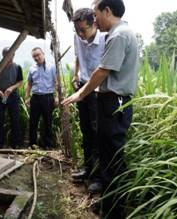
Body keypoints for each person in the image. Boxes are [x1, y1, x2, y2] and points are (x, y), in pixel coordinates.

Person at [62, 0, 139, 217]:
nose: (94, 20)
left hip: (114, 103)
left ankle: (114, 212)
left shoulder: (117, 36)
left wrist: (80, 93)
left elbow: (102, 71)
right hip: (109, 101)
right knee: (107, 156)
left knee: (113, 159)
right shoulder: (119, 33)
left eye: (96, 15)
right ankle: (107, 204)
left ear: (108, 11)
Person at [71, 8, 106, 194]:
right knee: (86, 130)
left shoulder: (105, 39)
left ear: (94, 23)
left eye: (83, 30)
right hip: (83, 87)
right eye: (77, 31)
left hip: (99, 91)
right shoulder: (78, 36)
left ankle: (99, 176)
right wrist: (76, 73)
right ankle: (87, 169)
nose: (81, 35)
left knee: (97, 132)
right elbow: (78, 55)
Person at [25, 47, 57, 150]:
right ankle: (32, 144)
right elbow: (29, 83)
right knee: (33, 122)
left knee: (48, 121)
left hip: (48, 97)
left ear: (43, 54)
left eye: (38, 55)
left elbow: (57, 82)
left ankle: (48, 145)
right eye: (34, 56)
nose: (36, 58)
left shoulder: (52, 67)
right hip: (35, 98)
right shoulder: (32, 68)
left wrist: (56, 96)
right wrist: (27, 97)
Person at [0, 47, 23, 149]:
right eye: (8, 55)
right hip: (0, 96)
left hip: (13, 96)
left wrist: (11, 88)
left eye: (12, 55)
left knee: (15, 120)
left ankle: (15, 144)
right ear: (3, 56)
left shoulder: (17, 67)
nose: (10, 58)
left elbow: (20, 82)